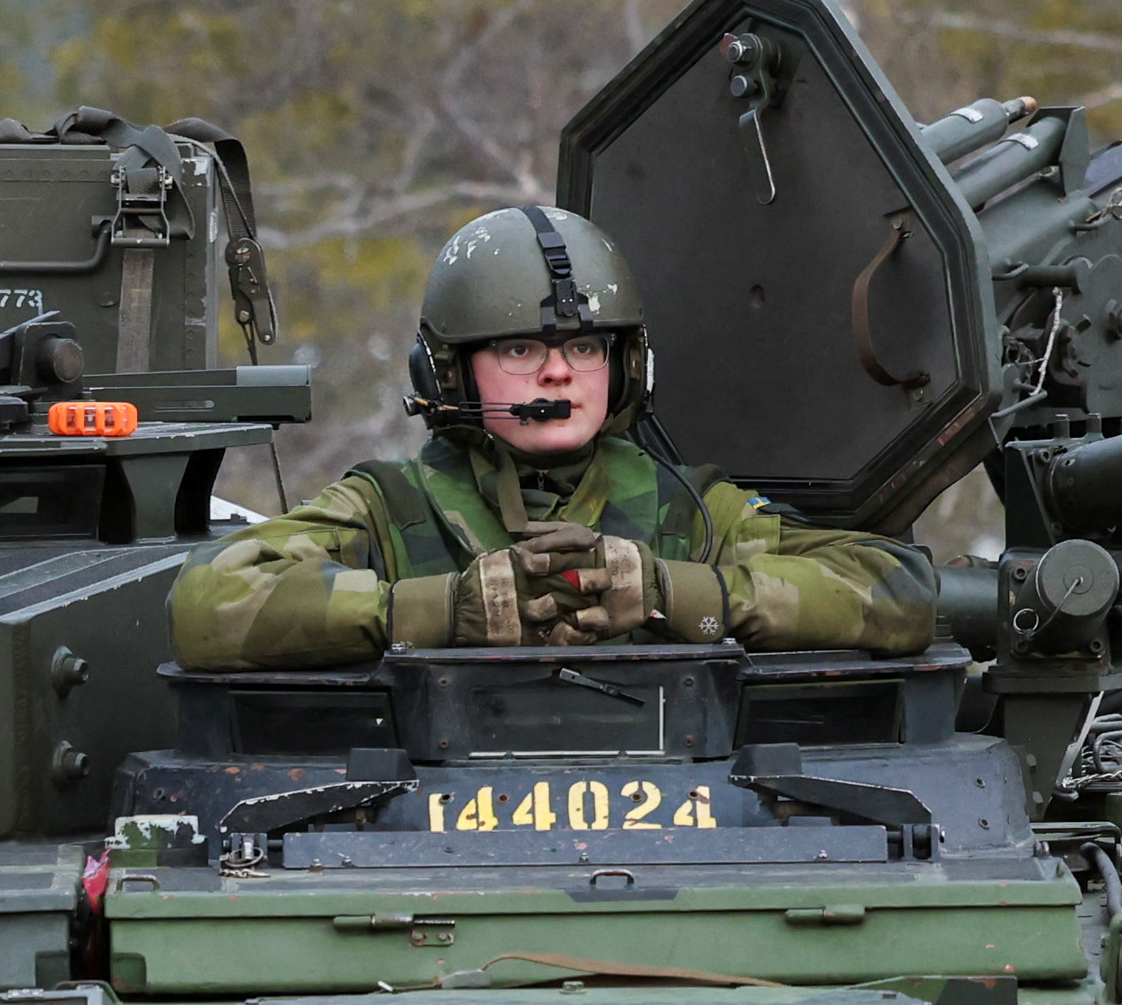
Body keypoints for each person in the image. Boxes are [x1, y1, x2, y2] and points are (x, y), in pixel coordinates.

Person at [169, 202, 937, 666]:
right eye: (519, 349)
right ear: (448, 375)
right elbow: (207, 603)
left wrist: (681, 593)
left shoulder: (690, 514)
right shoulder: (388, 509)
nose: (559, 374)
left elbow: (898, 589)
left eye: (584, 347)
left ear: (625, 366)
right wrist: (436, 611)